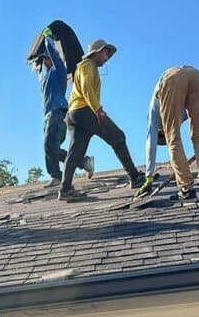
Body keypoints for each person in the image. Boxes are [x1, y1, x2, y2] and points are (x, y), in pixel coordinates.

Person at [60, 39, 145, 202]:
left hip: (74, 113)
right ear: (97, 52)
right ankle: (135, 177)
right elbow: (86, 88)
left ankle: (65, 189)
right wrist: (98, 110)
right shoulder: (87, 66)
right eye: (106, 54)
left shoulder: (84, 68)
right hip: (85, 110)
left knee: (76, 152)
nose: (107, 58)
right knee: (118, 137)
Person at [141, 82, 199, 191]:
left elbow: (150, 145)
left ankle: (186, 188)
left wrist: (149, 177)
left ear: (161, 133)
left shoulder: (154, 119)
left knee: (174, 142)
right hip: (196, 78)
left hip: (169, 80)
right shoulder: (182, 113)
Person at [155, 66, 199, 200]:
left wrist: (149, 175)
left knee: (173, 138)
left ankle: (186, 188)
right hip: (197, 75)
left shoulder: (153, 113)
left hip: (172, 77)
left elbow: (150, 137)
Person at [33, 28, 69, 187]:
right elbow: (37, 67)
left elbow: (55, 54)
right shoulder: (44, 78)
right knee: (52, 148)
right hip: (48, 115)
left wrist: (48, 38)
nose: (46, 60)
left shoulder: (59, 71)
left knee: (49, 145)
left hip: (57, 112)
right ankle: (83, 161)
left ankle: (56, 176)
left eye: (47, 57)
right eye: (44, 59)